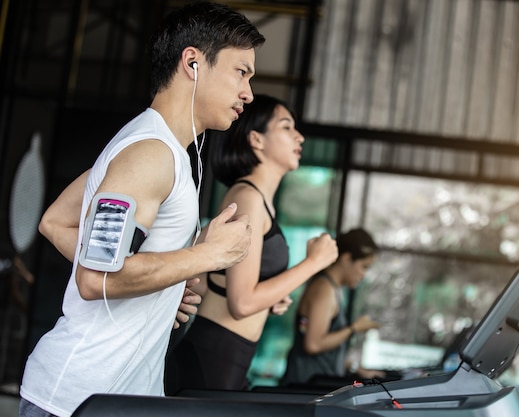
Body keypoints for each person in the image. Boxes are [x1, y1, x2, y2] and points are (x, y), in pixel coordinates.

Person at [19, 3, 264, 416]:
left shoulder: (155, 148)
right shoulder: (149, 153)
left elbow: (55, 221)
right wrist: (206, 254)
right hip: (76, 400)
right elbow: (96, 278)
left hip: (117, 398)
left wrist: (162, 285)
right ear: (193, 63)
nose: (249, 93)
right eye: (241, 71)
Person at [164, 94, 338, 394]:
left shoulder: (258, 200)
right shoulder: (248, 198)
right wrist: (314, 264)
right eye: (286, 127)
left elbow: (208, 282)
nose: (299, 136)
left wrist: (270, 296)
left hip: (225, 360)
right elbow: (241, 303)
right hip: (212, 361)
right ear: (256, 140)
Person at [280, 228, 384, 387]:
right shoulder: (324, 289)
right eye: (364, 266)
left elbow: (327, 352)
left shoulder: (333, 289)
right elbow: (313, 345)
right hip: (305, 388)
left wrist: (354, 367)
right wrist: (353, 329)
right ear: (347, 258)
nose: (363, 275)